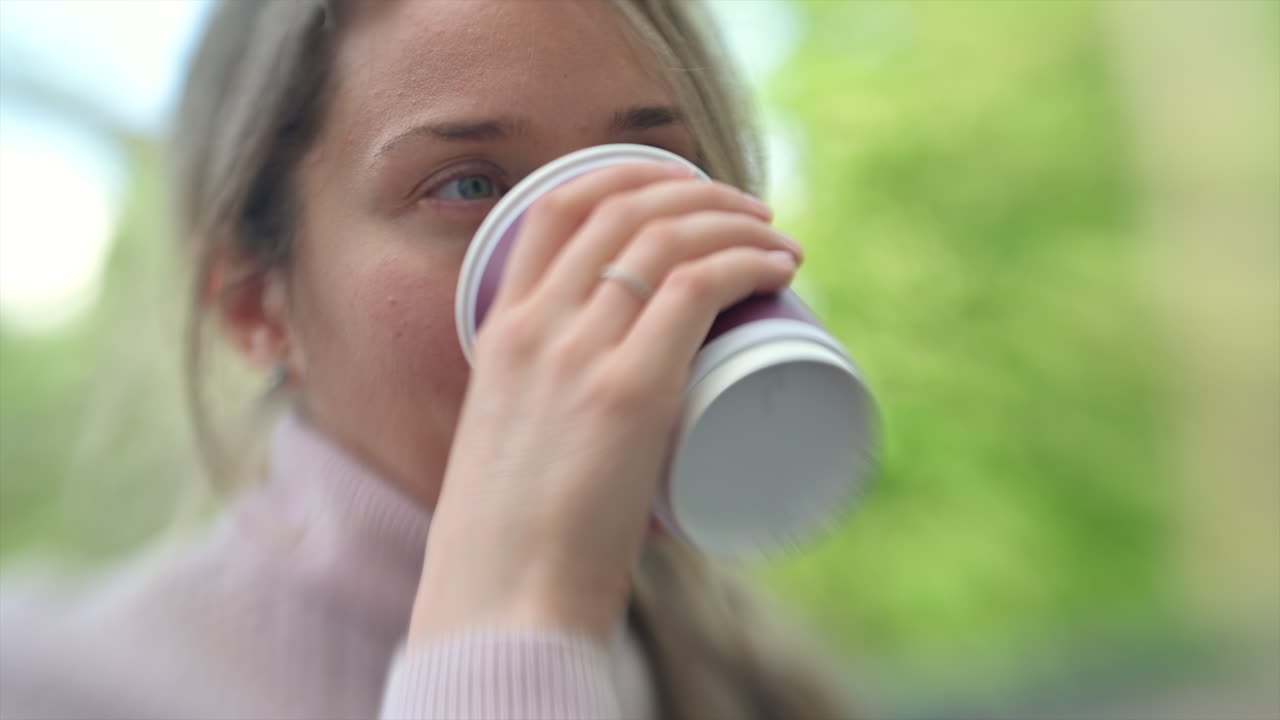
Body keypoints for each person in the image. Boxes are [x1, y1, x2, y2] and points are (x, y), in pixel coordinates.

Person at [0, 1, 850, 718]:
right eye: (469, 185)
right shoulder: (50, 682)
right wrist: (516, 619)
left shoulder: (748, 685)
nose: (600, 268)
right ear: (256, 305)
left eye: (654, 169)